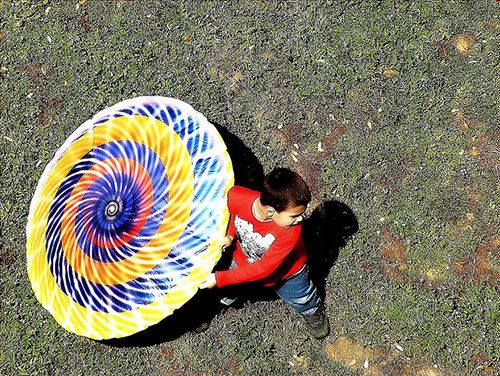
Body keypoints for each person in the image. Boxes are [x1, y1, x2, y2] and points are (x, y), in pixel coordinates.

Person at [199, 167, 330, 339]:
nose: (300, 219)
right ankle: (220, 302)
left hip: (287, 274)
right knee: (228, 287)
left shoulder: (291, 231)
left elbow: (264, 268)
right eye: (294, 216)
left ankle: (312, 312)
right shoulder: (238, 197)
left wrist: (218, 278)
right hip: (244, 258)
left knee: (302, 297)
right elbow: (231, 213)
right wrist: (230, 235)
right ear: (270, 211)